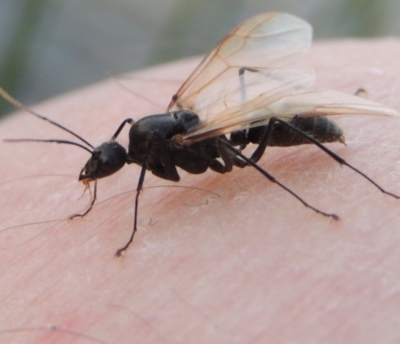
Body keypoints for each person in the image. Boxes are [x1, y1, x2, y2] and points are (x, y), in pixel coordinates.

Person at [0, 40, 399, 342]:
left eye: (100, 166)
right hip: (227, 130)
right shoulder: (147, 141)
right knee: (252, 120)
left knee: (273, 126)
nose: (95, 171)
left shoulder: (166, 144)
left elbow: (150, 169)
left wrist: (132, 234)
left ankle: (376, 186)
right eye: (99, 165)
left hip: (267, 126)